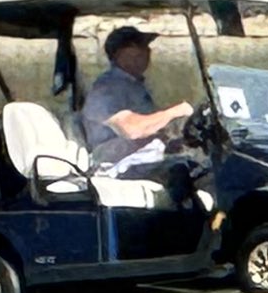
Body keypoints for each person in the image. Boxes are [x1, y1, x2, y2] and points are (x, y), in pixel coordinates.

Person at [79, 24, 195, 178]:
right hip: (119, 169)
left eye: (146, 46)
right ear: (119, 53)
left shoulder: (133, 85)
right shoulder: (107, 89)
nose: (146, 51)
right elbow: (130, 129)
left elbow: (149, 131)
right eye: (138, 46)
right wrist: (175, 112)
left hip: (145, 162)